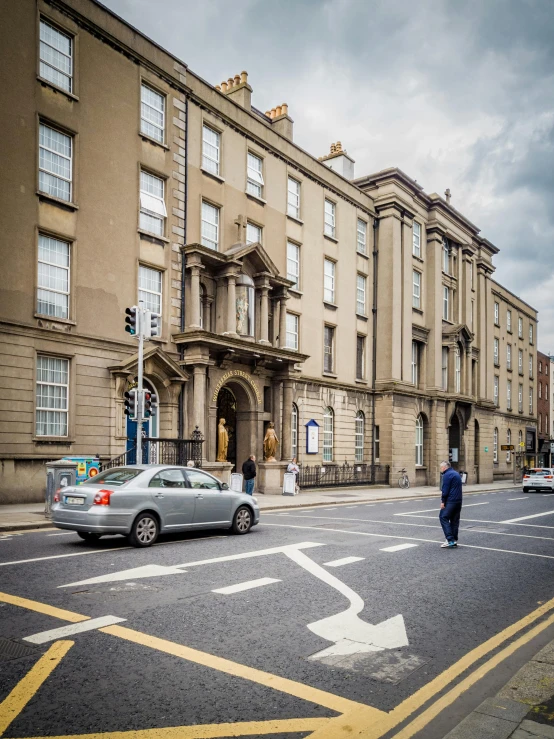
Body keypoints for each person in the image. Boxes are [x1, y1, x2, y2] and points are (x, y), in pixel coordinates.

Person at [439, 460, 463, 548]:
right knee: (454, 520)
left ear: (444, 467)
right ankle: (454, 539)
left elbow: (445, 489)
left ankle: (450, 539)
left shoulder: (447, 475)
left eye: (441, 467)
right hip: (458, 500)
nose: (440, 469)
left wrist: (443, 501)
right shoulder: (455, 473)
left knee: (443, 517)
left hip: (451, 501)